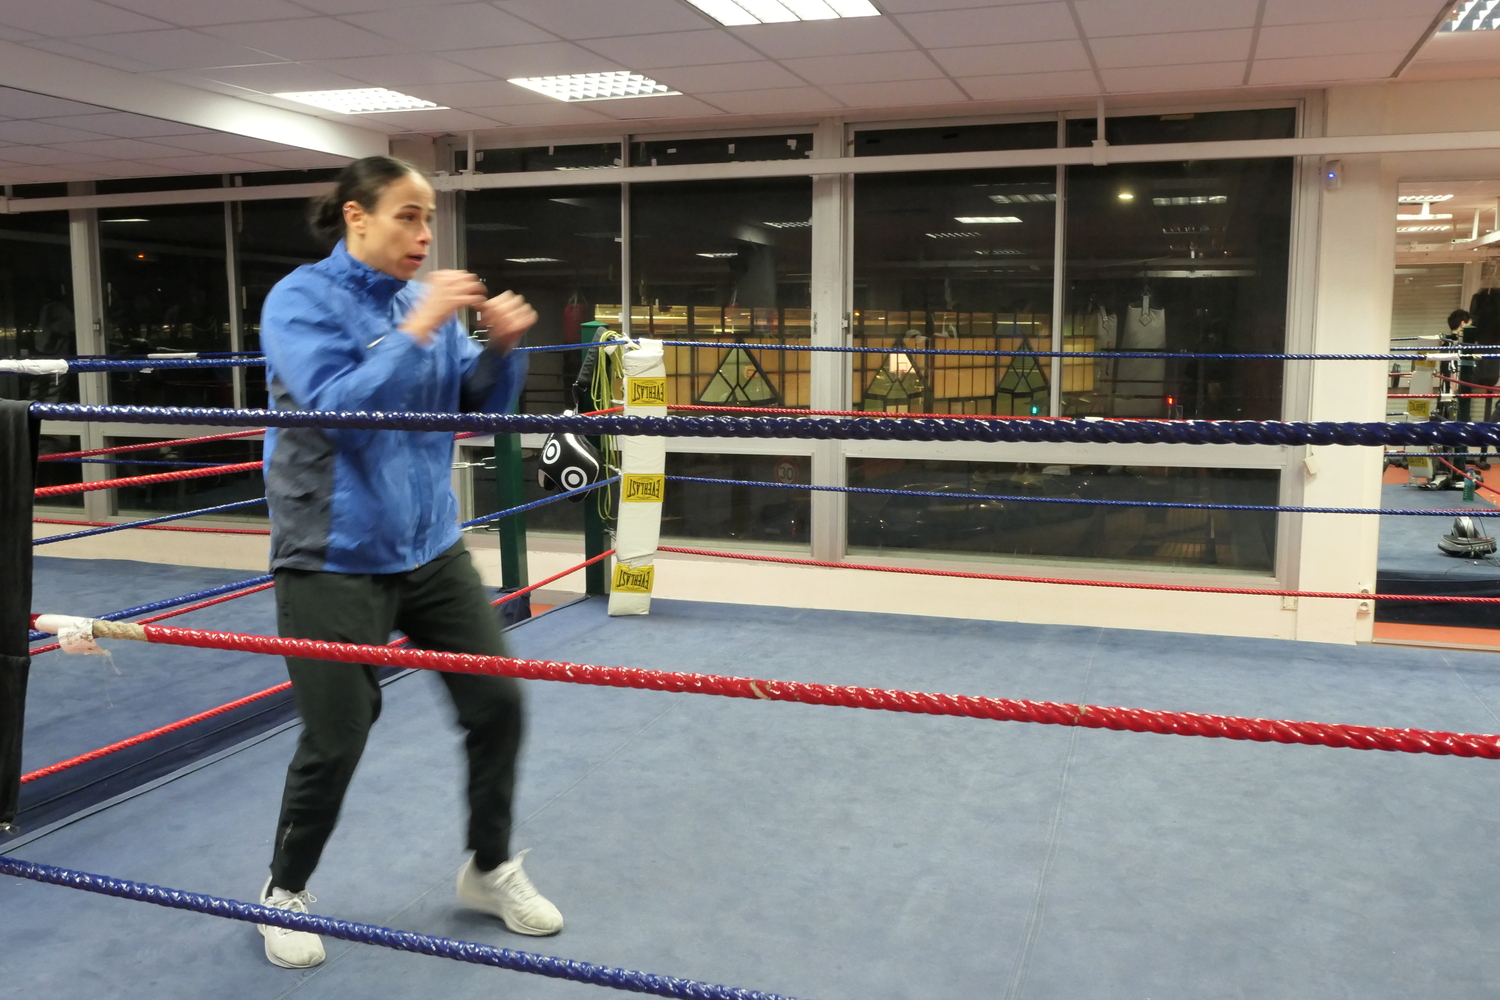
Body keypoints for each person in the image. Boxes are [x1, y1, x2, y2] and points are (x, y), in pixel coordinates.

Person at [254, 156, 561, 970]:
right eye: (407, 216)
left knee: (499, 706)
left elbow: (475, 408)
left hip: (429, 548)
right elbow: (335, 409)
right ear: (357, 217)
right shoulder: (299, 300)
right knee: (338, 734)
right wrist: (420, 326)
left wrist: (500, 349)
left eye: (430, 219)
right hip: (332, 557)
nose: (424, 235)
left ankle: (489, 867)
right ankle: (283, 891)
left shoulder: (416, 305)